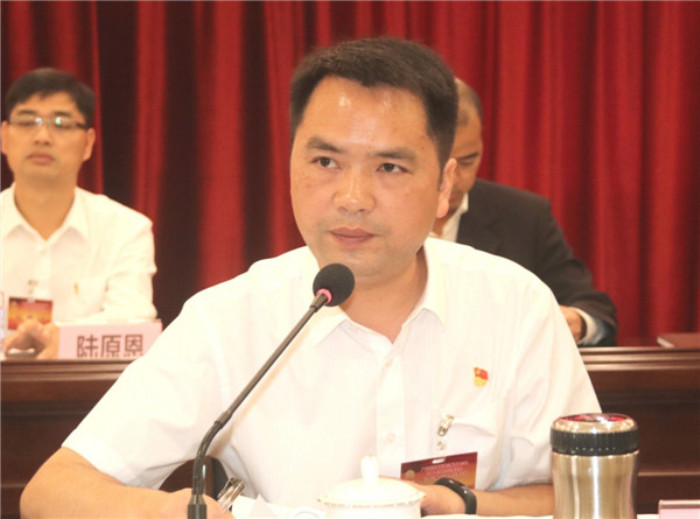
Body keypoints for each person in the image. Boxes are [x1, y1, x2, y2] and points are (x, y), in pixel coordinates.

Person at [20, 38, 599, 518]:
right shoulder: (228, 319)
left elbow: (586, 497)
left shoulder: (517, 306)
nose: (352, 198)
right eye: (325, 162)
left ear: (445, 185)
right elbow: (51, 492)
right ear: (291, 163)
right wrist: (177, 512)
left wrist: (462, 505)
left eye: (390, 167)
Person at [432, 79, 618, 345]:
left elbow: (592, 308)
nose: (456, 178)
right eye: (442, 164)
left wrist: (575, 320)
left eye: (469, 160)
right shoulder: (379, 216)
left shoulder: (524, 216)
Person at [1, 68, 157, 359]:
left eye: (61, 123)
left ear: (88, 144)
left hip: (93, 389)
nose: (42, 136)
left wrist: (60, 339)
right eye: (27, 122)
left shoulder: (126, 229)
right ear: (4, 137)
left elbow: (135, 324)